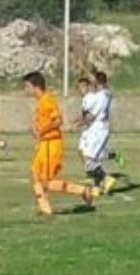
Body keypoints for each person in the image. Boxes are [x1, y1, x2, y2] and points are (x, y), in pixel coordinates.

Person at [23, 71, 94, 216]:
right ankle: (45, 210)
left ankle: (82, 191)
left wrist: (42, 130)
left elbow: (58, 121)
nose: (25, 90)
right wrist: (34, 129)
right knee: (35, 173)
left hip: (51, 144)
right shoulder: (40, 102)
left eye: (27, 86)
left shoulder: (47, 100)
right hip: (44, 144)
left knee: (45, 182)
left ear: (36, 87)